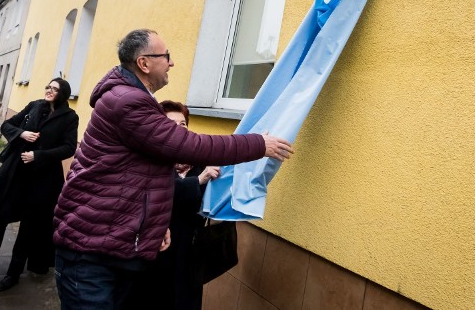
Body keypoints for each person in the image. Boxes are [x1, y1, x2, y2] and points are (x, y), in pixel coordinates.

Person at [53, 29, 294, 309]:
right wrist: (258, 144)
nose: (172, 62)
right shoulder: (128, 102)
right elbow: (191, 146)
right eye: (166, 55)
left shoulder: (129, 97)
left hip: (105, 241)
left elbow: (138, 175)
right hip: (91, 252)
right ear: (144, 63)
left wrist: (154, 223)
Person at [0, 78, 78, 292]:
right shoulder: (34, 106)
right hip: (14, 173)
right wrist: (21, 133)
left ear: (63, 93)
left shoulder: (69, 117)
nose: (49, 90)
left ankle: (13, 274)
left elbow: (68, 148)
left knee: (29, 228)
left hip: (43, 181)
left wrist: (38, 156)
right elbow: (6, 125)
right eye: (48, 86)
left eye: (55, 89)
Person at [128, 100, 221, 310]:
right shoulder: (150, 162)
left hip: (190, 253)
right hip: (156, 250)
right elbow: (164, 190)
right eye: (172, 125)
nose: (179, 129)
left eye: (183, 124)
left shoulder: (201, 163)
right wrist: (198, 181)